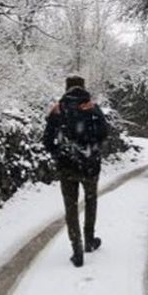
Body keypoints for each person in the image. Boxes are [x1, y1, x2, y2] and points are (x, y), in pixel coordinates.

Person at [42, 75, 109, 267]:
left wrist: (59, 154)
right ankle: (89, 240)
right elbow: (104, 133)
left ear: (66, 88)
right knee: (90, 201)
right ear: (83, 86)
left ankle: (76, 248)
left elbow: (47, 140)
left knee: (70, 207)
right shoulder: (92, 107)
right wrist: (92, 149)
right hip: (90, 165)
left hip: (67, 166)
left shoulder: (58, 109)